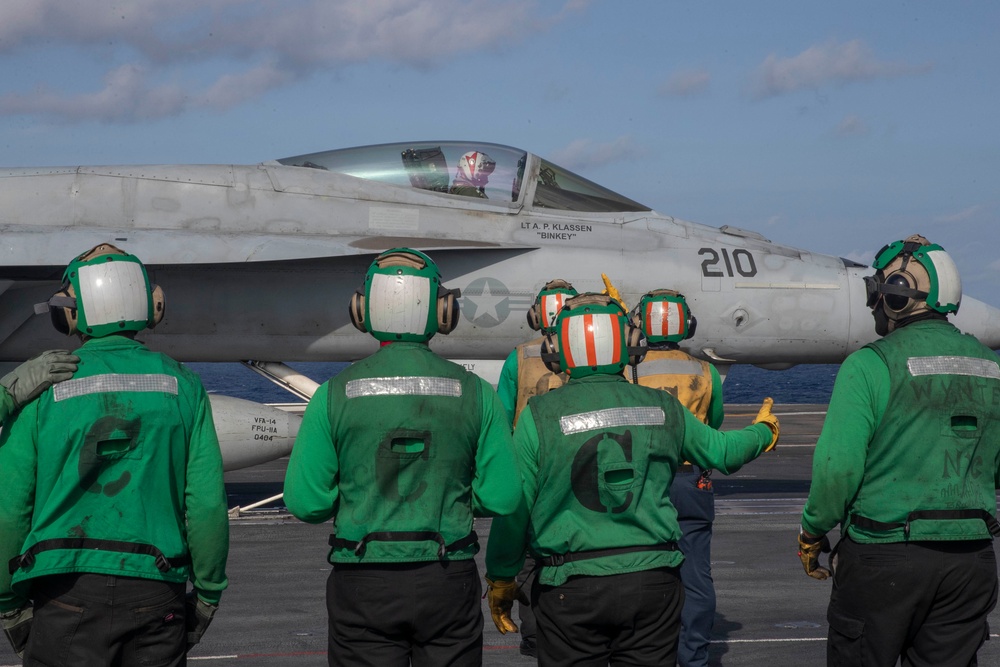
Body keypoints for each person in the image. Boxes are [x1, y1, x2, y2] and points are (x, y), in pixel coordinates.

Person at [484, 293, 779, 666]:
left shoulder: (538, 417)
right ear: (631, 345)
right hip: (653, 584)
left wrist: (501, 577)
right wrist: (763, 432)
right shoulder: (662, 406)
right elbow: (724, 452)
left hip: (570, 587)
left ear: (555, 350)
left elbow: (514, 506)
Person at [283, 247, 521, 667]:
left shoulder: (333, 394)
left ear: (363, 310)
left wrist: (361, 498)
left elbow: (307, 503)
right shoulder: (476, 393)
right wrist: (454, 496)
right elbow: (502, 497)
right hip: (447, 575)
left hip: (362, 579)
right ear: (443, 311)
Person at [0, 243, 229, 665]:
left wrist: (8, 604)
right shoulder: (184, 385)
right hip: (156, 589)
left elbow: (10, 507)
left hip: (64, 590)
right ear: (151, 305)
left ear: (70, 313)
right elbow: (207, 504)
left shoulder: (38, 389)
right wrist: (209, 593)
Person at [799, 234, 1000, 666]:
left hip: (883, 557)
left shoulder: (870, 364)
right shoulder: (993, 367)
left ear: (895, 295)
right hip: (971, 560)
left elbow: (837, 469)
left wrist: (813, 531)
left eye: (877, 291)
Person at [627, 289, 723, 667]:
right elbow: (713, 427)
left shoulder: (628, 370)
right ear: (687, 324)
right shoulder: (705, 371)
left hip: (643, 479)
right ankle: (694, 657)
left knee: (640, 568)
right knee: (696, 576)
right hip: (691, 479)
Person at [496, 278, 578, 657]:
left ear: (536, 316)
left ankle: (534, 635)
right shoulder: (587, 356)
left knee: (529, 556)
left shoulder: (519, 356)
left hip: (530, 465)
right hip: (576, 464)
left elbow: (502, 417)